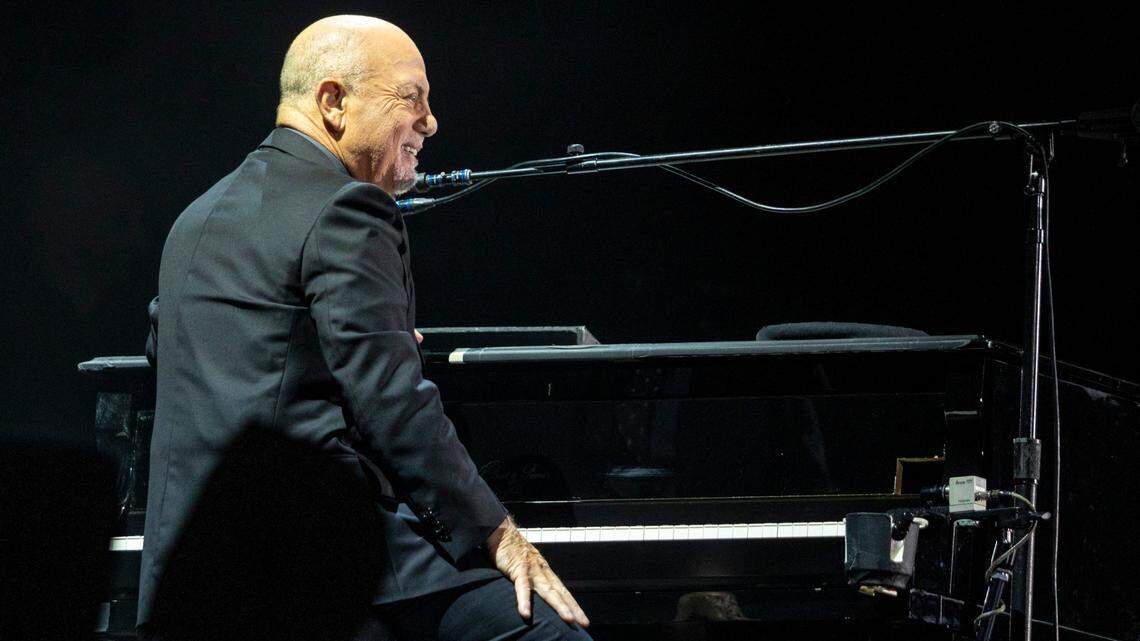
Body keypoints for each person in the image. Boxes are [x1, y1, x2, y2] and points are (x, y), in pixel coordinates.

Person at [139, 15, 590, 641]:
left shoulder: (195, 218)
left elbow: (178, 354)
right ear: (333, 101)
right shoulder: (349, 207)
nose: (431, 123)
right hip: (320, 566)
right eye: (413, 98)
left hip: (193, 576)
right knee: (549, 633)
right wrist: (497, 532)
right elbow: (395, 405)